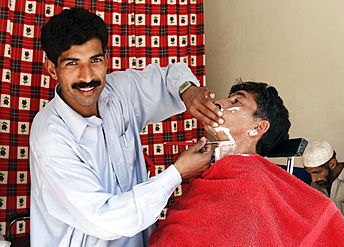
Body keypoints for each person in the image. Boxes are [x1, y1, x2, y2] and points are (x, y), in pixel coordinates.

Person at [29, 7, 223, 247]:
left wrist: (188, 91)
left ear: (106, 58)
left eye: (95, 60)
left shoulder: (118, 92)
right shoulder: (51, 137)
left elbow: (169, 76)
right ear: (51, 68)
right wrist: (177, 173)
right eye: (72, 63)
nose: (87, 76)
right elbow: (106, 220)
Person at [148, 81, 344, 247]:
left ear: (258, 128)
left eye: (236, 102)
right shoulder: (207, 176)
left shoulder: (254, 186)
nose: (220, 101)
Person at [303, 140, 344, 246]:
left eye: (317, 172)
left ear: (332, 164)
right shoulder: (316, 186)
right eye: (310, 173)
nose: (314, 179)